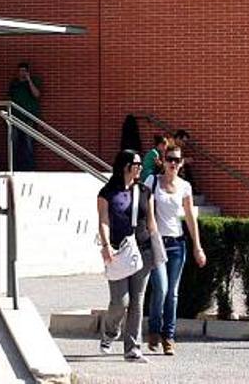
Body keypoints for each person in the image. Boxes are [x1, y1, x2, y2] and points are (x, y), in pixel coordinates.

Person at [144, 145, 206, 355]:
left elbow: (190, 217)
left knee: (173, 293)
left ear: (181, 163)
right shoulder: (153, 182)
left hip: (177, 244)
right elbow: (143, 208)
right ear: (163, 160)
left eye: (177, 160)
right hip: (157, 243)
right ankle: (153, 330)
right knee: (160, 289)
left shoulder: (185, 186)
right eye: (170, 159)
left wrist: (197, 247)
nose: (173, 164)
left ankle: (168, 337)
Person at [97, 150, 157, 363]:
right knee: (120, 302)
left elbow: (151, 223)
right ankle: (110, 332)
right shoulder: (107, 193)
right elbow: (103, 220)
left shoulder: (145, 191)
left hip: (142, 251)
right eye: (137, 164)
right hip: (117, 251)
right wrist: (105, 246)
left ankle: (132, 348)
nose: (141, 167)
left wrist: (158, 250)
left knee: (137, 302)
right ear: (125, 166)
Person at [8, 61, 42, 171]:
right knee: (14, 143)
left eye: (24, 71)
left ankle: (29, 168)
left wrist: (29, 80)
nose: (21, 73)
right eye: (20, 71)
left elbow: (36, 95)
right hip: (15, 118)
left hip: (29, 118)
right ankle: (14, 167)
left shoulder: (33, 82)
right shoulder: (14, 84)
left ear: (28, 72)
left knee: (28, 144)